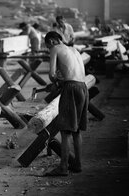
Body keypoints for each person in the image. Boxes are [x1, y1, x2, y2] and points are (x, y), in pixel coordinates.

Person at [43, 31, 89, 176]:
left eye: (47, 46)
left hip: (71, 88)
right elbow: (75, 73)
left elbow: (51, 74)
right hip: (83, 87)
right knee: (76, 131)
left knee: (65, 131)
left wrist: (55, 82)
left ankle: (63, 167)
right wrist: (61, 82)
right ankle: (78, 164)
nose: (48, 49)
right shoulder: (74, 49)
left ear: (51, 41)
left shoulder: (55, 49)